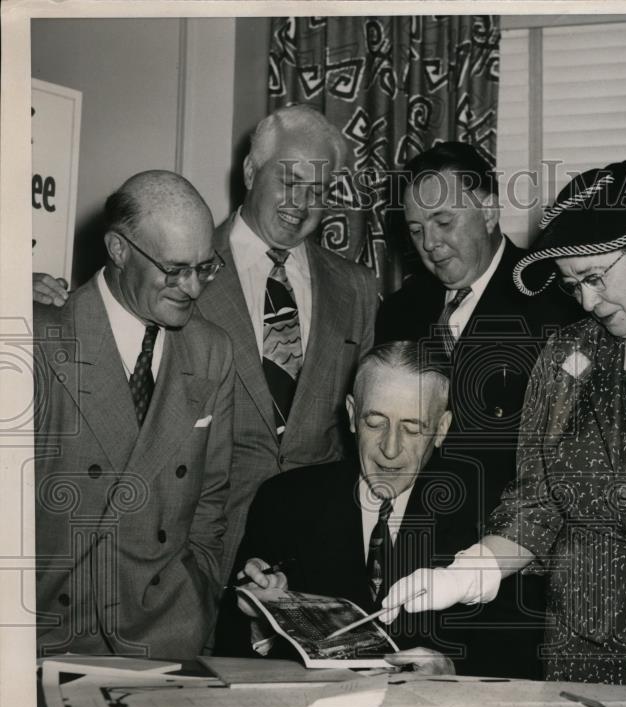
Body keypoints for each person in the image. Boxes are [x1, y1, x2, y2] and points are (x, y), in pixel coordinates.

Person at [383, 161, 626, 690]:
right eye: (574, 287)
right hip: (582, 650)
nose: (588, 303)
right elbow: (537, 505)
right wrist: (464, 574)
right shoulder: (566, 354)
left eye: (596, 278)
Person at [32, 105, 379, 596]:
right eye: (289, 180)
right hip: (183, 564)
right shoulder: (173, 259)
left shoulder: (358, 288)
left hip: (310, 561)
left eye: (319, 191)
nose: (301, 204)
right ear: (251, 171)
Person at [375, 142, 579, 679]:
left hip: (511, 583)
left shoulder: (556, 303)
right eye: (416, 230)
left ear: (489, 208)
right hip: (411, 567)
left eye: (444, 221)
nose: (431, 245)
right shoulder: (400, 310)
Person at [34, 170, 234, 660]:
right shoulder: (37, 336)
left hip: (166, 636)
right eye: (174, 268)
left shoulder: (211, 351)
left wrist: (199, 592)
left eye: (205, 268)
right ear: (119, 250)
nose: (192, 287)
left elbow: (211, 499)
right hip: (49, 637)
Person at [213, 341, 485, 676]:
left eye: (412, 428)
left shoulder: (484, 516)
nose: (389, 448)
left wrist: (452, 671)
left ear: (442, 429)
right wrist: (260, 621)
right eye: (375, 422)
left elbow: (517, 656)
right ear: (353, 415)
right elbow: (230, 652)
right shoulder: (285, 500)